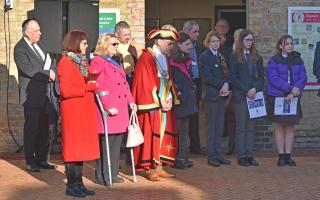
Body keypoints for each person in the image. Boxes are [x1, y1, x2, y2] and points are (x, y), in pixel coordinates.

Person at [131, 29, 180, 181]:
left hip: (164, 103)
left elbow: (167, 80)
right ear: (158, 41)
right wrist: (160, 101)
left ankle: (159, 167)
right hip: (152, 105)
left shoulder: (164, 57)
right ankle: (149, 169)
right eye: (169, 43)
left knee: (163, 135)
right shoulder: (146, 57)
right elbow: (145, 83)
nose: (171, 46)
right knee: (151, 135)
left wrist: (170, 98)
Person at [90, 33, 137, 185]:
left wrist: (131, 101)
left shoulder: (116, 61)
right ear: (104, 45)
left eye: (117, 44)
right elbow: (97, 86)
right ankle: (102, 174)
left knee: (116, 143)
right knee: (106, 144)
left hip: (121, 108)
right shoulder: (97, 61)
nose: (116, 47)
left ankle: (114, 171)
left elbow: (124, 84)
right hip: (109, 109)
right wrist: (108, 106)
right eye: (113, 44)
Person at [58, 29, 99, 197]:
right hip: (73, 112)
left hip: (83, 111)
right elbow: (66, 90)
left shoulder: (81, 61)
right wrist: (89, 86)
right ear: (75, 43)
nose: (86, 46)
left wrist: (92, 79)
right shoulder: (65, 62)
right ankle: (71, 186)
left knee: (80, 150)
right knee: (73, 150)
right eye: (83, 43)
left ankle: (79, 183)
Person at [14, 19, 56, 172]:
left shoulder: (40, 46)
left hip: (45, 95)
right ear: (27, 32)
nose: (40, 33)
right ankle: (30, 161)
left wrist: (53, 71)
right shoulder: (20, 48)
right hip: (31, 96)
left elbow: (47, 63)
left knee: (44, 129)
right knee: (31, 129)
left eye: (39, 30)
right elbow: (29, 70)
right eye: (36, 30)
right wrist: (48, 75)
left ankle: (42, 159)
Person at [266, 34, 307, 166]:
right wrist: (290, 89)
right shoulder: (274, 60)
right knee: (279, 127)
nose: (290, 46)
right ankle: (281, 155)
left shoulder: (298, 59)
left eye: (291, 44)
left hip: (293, 98)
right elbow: (273, 78)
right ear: (280, 46)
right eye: (287, 44)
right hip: (279, 97)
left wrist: (295, 92)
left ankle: (288, 155)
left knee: (290, 127)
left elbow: (303, 77)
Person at [229, 29, 264, 167]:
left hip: (254, 96)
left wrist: (255, 88)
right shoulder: (234, 56)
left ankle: (250, 155)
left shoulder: (257, 57)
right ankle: (241, 155)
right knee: (241, 127)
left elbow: (262, 77)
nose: (249, 42)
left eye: (251, 40)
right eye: (247, 40)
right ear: (241, 41)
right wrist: (246, 90)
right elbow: (233, 77)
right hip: (240, 96)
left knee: (251, 127)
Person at [199, 31, 231, 167]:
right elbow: (207, 77)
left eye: (217, 41)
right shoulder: (205, 57)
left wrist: (226, 83)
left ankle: (218, 154)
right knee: (211, 128)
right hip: (211, 97)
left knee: (219, 127)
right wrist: (222, 84)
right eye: (212, 41)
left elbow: (226, 73)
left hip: (222, 96)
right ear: (208, 42)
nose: (215, 44)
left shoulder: (221, 56)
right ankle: (211, 156)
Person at [169, 31, 198, 169]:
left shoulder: (187, 60)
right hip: (178, 99)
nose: (189, 47)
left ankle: (183, 156)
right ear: (179, 45)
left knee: (184, 130)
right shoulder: (172, 61)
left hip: (187, 99)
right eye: (187, 44)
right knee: (178, 129)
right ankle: (177, 158)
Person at [183, 20, 206, 155]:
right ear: (187, 32)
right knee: (184, 117)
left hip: (196, 84)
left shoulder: (199, 47)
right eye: (194, 31)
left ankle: (195, 146)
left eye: (198, 31)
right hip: (185, 84)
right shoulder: (180, 47)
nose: (198, 34)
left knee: (195, 116)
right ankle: (182, 148)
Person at [225, 28, 244, 155]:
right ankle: (231, 144)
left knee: (243, 120)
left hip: (245, 90)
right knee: (231, 119)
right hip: (232, 89)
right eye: (238, 37)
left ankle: (241, 145)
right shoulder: (228, 52)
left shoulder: (250, 53)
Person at [114, 21, 138, 87]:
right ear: (117, 34)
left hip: (132, 82)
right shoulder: (113, 49)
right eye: (125, 35)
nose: (128, 37)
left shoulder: (132, 49)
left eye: (129, 34)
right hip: (118, 84)